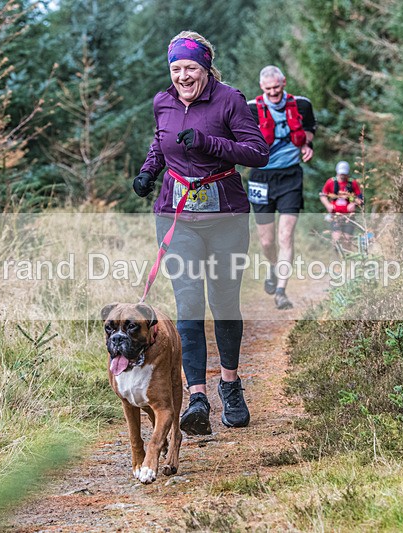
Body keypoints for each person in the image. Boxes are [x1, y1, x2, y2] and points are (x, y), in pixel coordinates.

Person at [133, 31, 269, 435]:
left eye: (190, 68)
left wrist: (210, 142)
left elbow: (257, 151)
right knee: (189, 302)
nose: (183, 76)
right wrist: (148, 171)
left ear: (206, 67)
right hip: (176, 216)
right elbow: (161, 144)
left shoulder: (230, 100)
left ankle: (230, 385)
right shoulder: (163, 101)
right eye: (176, 69)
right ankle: (196, 398)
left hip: (225, 214)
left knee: (224, 301)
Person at [246, 65, 316, 310]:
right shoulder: (250, 110)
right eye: (268, 89)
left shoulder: (302, 105)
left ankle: (281, 291)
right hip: (260, 178)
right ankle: (273, 267)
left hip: (290, 176)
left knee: (286, 235)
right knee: (267, 242)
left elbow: (309, 131)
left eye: (277, 87)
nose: (274, 92)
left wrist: (307, 146)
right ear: (261, 88)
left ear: (284, 82)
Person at [319, 161, 364, 249]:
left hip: (349, 216)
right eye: (341, 174)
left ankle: (346, 259)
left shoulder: (352, 183)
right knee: (336, 239)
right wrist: (328, 205)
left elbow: (360, 199)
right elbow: (322, 195)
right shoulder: (331, 182)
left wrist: (353, 204)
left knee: (347, 240)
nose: (342, 176)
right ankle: (336, 259)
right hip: (335, 216)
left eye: (344, 174)